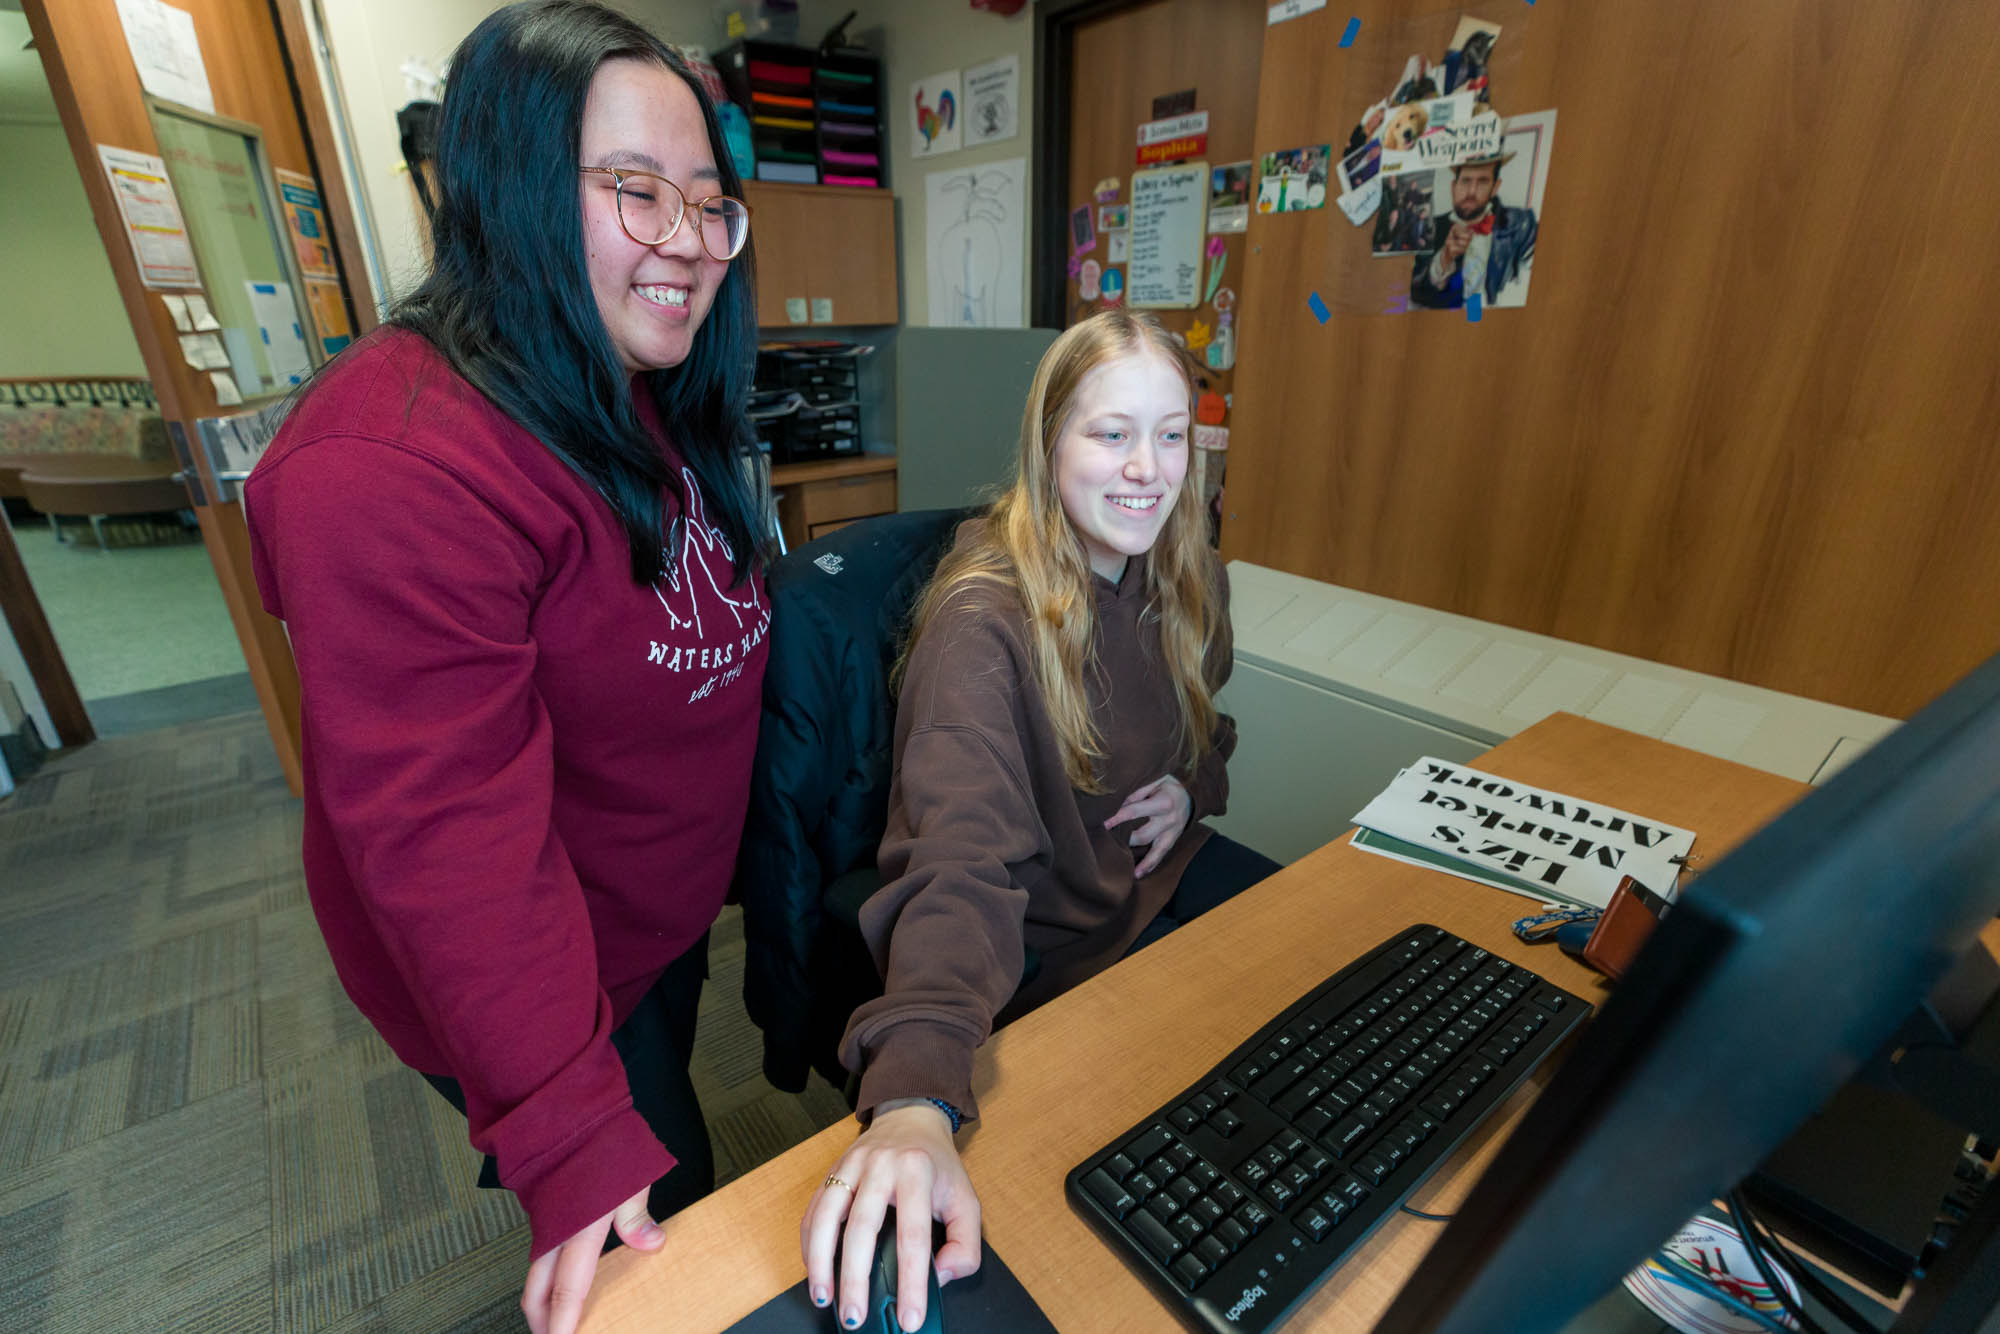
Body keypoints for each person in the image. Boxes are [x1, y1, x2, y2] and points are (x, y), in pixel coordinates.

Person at [244, 5, 768, 1332]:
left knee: (679, 1130)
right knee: (671, 1224)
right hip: (537, 954)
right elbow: (449, 839)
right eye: (635, 192)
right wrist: (569, 1133)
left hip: (645, 921)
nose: (690, 243)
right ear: (514, 188)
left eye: (710, 203)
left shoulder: (631, 374)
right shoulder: (385, 463)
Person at [799, 311, 1282, 1331]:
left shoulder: (1186, 569)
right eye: (1109, 434)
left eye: (1169, 433)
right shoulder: (981, 625)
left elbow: (1208, 725)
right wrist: (916, 1099)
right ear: (1048, 443)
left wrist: (1193, 787)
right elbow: (956, 860)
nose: (1145, 469)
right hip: (1048, 957)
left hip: (1152, 892)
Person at [1410, 152, 1538, 309]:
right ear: (1453, 187)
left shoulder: (1522, 224)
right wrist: (1445, 258)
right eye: (1465, 181)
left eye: (1483, 182)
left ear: (1494, 188)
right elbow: (1416, 293)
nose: (1471, 191)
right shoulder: (1431, 228)